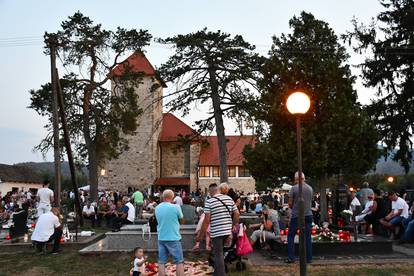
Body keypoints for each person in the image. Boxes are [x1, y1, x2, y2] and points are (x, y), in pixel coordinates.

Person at [196, 183, 240, 276]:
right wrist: (233, 225)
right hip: (227, 231)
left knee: (218, 254)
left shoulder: (210, 201)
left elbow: (206, 220)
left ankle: (221, 274)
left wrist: (200, 236)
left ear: (210, 192)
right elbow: (237, 214)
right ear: (218, 190)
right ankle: (217, 273)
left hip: (217, 232)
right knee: (220, 252)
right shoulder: (229, 199)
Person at [155, 189, 185, 276]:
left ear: (163, 197)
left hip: (161, 237)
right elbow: (182, 220)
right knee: (179, 261)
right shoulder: (176, 207)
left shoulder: (157, 208)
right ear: (172, 197)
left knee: (161, 261)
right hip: (173, 237)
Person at [285, 172, 313, 264]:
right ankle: (309, 258)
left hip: (297, 215)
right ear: (304, 178)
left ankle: (291, 257)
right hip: (308, 214)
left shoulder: (293, 188)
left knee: (290, 236)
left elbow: (290, 203)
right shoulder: (310, 188)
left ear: (297, 179)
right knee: (307, 237)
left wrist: (294, 208)